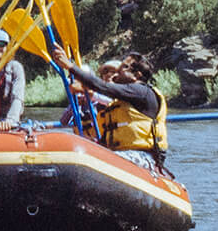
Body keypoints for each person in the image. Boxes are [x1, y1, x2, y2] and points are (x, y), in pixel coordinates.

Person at [49, 44, 168, 173]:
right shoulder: (124, 100)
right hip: (121, 154)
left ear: (137, 75)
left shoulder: (141, 91)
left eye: (123, 67)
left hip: (143, 157)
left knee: (91, 160)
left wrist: (70, 66)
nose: (117, 71)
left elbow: (103, 87)